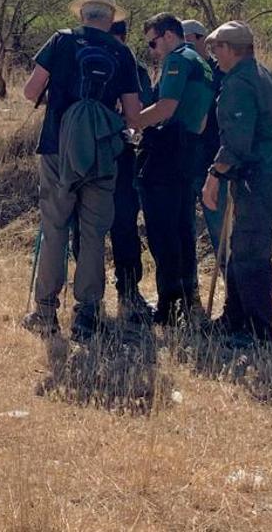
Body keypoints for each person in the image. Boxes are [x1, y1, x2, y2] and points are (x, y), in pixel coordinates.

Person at [21, 0, 143, 342]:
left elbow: (30, 92)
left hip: (58, 147)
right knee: (93, 233)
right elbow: (134, 116)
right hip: (101, 155)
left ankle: (45, 311)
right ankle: (87, 314)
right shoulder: (122, 53)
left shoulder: (60, 42)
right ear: (109, 18)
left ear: (82, 14)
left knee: (55, 227)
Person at [201, 21, 272, 348]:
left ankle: (259, 332)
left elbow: (237, 143)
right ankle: (234, 319)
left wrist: (214, 176)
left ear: (230, 48)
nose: (214, 56)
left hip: (260, 172)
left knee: (251, 251)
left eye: (216, 49)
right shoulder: (270, 76)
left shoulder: (239, 83)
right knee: (242, 246)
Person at [125, 13, 214, 326]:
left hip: (166, 151)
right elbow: (201, 119)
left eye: (153, 42)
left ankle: (167, 306)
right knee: (182, 229)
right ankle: (187, 299)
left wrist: (132, 122)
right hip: (190, 149)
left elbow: (165, 107)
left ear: (168, 35)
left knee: (162, 231)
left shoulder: (177, 60)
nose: (153, 50)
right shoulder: (203, 63)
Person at [108, 19, 155, 321]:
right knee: (100, 225)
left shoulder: (132, 69)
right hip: (113, 156)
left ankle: (128, 291)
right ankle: (91, 296)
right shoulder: (132, 68)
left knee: (122, 224)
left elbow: (143, 114)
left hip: (118, 155)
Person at [182, 19, 226, 257]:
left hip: (212, 163)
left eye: (188, 40)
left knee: (221, 230)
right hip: (183, 163)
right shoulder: (177, 72)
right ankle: (188, 291)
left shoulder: (222, 74)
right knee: (183, 231)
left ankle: (233, 289)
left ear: (202, 40)